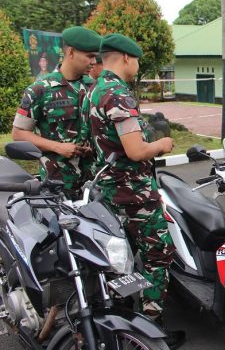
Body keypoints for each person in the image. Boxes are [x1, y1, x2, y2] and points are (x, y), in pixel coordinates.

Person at [86, 33, 184, 348]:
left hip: (109, 191)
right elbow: (136, 150)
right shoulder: (118, 94)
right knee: (159, 254)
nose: (138, 66)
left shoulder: (95, 90)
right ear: (127, 58)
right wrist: (162, 144)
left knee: (122, 258)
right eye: (137, 60)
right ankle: (148, 329)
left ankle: (119, 320)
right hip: (134, 195)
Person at [12, 26, 100, 199]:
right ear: (71, 52)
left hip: (94, 184)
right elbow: (18, 133)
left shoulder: (95, 88)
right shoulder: (40, 90)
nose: (94, 61)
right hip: (57, 186)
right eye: (89, 56)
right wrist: (58, 147)